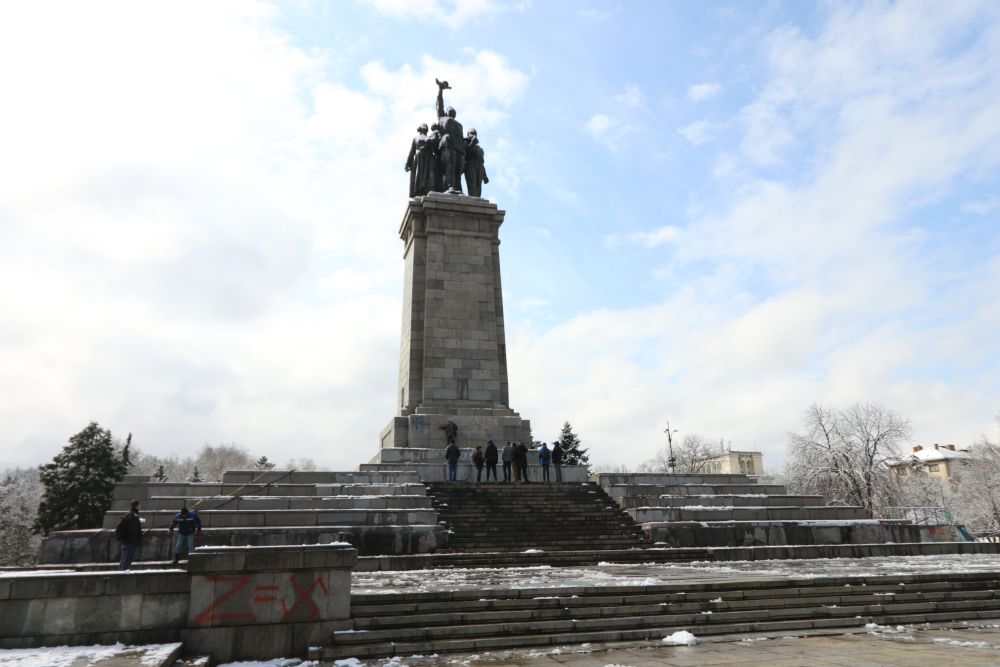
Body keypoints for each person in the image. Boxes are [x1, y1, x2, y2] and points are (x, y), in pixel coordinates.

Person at [435, 79, 465, 192]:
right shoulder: (442, 118)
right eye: (449, 109)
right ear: (446, 112)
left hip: (459, 148)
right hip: (447, 144)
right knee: (449, 166)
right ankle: (448, 186)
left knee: (458, 169)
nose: (451, 109)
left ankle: (457, 187)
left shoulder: (459, 124)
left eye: (453, 110)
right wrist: (440, 90)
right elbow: (439, 104)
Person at [405, 123, 439, 197]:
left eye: (427, 126)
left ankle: (427, 191)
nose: (426, 127)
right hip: (418, 159)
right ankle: (417, 192)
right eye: (424, 125)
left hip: (428, 159)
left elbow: (434, 150)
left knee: (429, 175)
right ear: (419, 128)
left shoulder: (430, 138)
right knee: (418, 176)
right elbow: (412, 152)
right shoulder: (416, 138)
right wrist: (407, 164)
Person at [115, 500, 143, 570]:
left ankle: (119, 573)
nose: (140, 507)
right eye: (139, 506)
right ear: (137, 506)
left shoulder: (128, 514)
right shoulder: (134, 516)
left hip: (125, 540)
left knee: (123, 559)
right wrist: (136, 540)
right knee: (127, 560)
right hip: (131, 541)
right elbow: (133, 530)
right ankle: (123, 575)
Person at [463, 129, 489, 197]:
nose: (473, 135)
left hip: (479, 167)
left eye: (474, 133)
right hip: (470, 165)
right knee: (472, 184)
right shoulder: (465, 143)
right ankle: (473, 199)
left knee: (478, 185)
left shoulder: (480, 149)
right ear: (468, 134)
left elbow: (482, 162)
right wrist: (472, 142)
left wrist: (485, 175)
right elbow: (466, 152)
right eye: (471, 133)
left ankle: (477, 200)